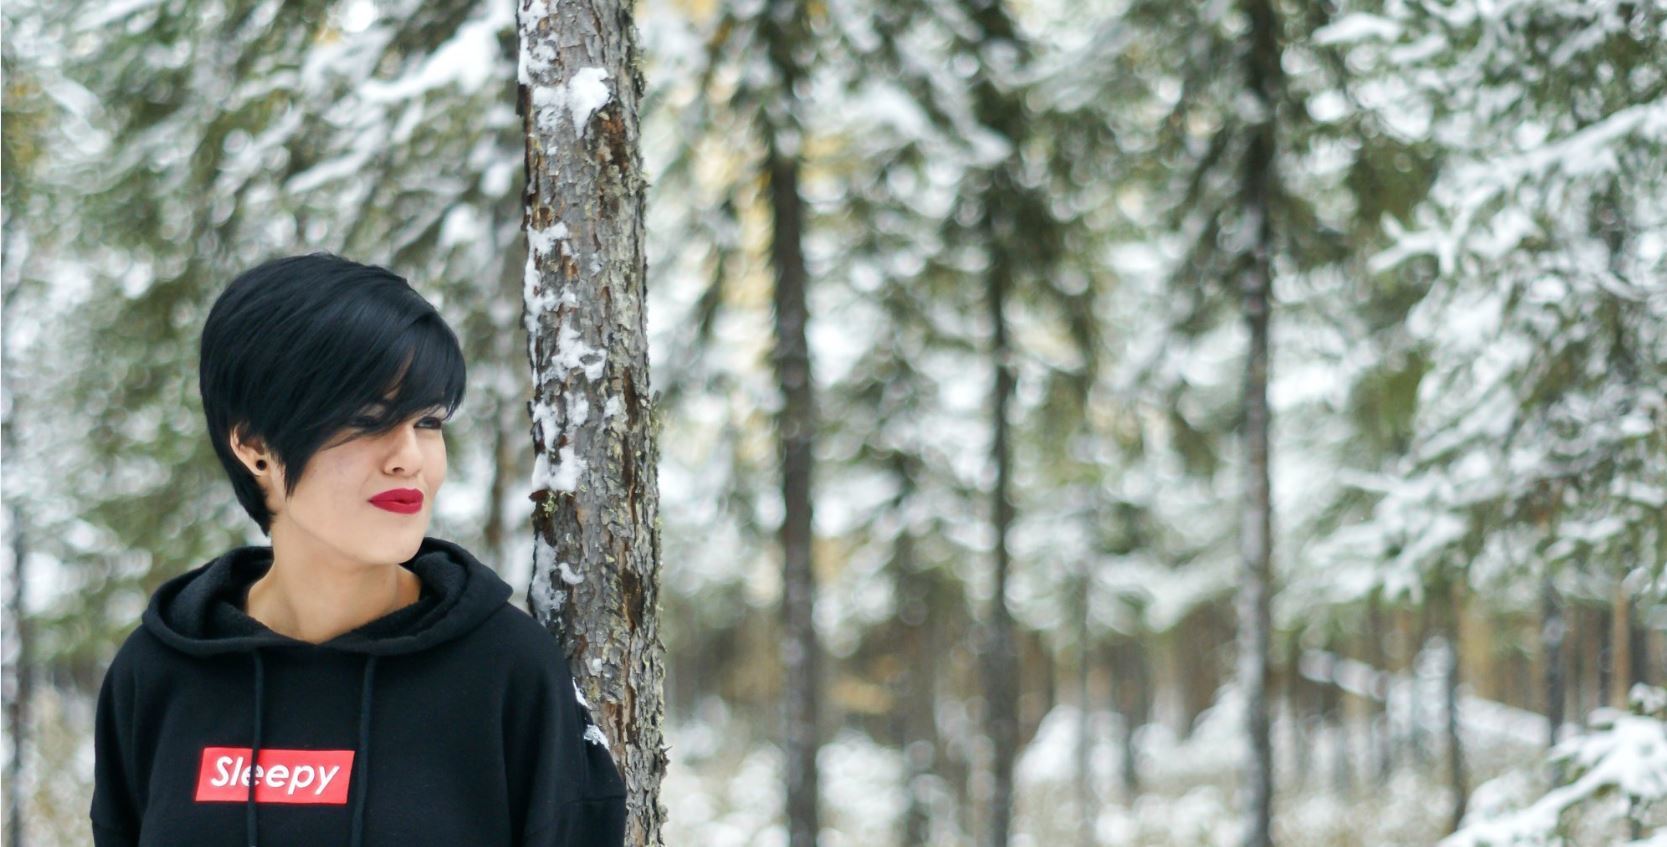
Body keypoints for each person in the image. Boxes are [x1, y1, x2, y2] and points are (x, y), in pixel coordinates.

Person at [89, 253, 627, 847]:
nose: (409, 457)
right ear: (254, 445)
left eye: (427, 422)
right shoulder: (158, 673)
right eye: (369, 420)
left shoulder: (508, 672)